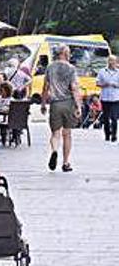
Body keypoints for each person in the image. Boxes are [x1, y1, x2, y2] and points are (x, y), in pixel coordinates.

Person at [41, 44, 82, 172]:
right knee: (67, 133)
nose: (70, 55)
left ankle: (54, 150)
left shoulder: (50, 67)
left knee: (55, 133)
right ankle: (66, 163)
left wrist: (43, 103)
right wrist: (78, 105)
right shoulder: (71, 68)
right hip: (68, 103)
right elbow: (74, 88)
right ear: (63, 53)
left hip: (55, 104)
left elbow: (45, 87)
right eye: (68, 52)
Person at [96, 55, 119, 142]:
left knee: (114, 117)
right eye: (110, 61)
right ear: (108, 62)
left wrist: (115, 85)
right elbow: (97, 83)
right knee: (106, 117)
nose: (112, 63)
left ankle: (114, 135)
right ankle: (107, 133)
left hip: (116, 98)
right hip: (105, 98)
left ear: (116, 62)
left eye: (113, 61)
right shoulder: (102, 71)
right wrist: (104, 84)